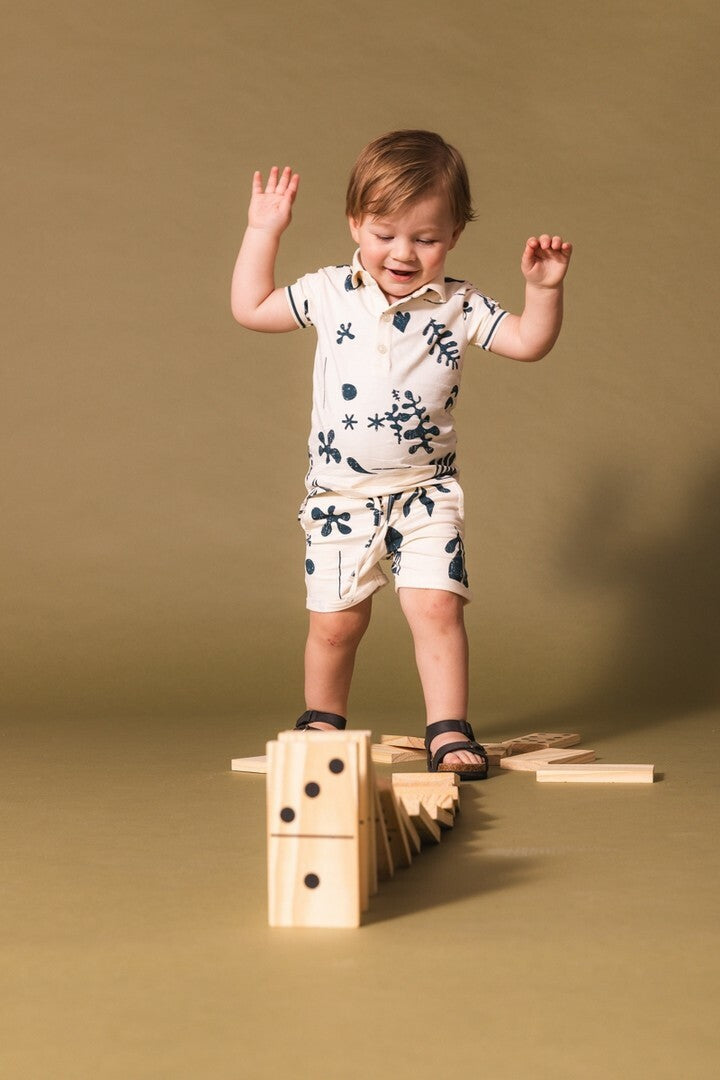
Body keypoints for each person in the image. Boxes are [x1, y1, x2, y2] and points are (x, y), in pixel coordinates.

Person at [231, 130, 572, 780]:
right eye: (384, 233)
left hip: (427, 493)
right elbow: (250, 308)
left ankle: (448, 727)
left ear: (455, 235)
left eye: (426, 238)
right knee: (335, 623)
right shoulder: (330, 290)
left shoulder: (461, 304)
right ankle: (322, 720)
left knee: (437, 608)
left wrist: (544, 290)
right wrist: (262, 231)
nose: (403, 253)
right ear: (354, 223)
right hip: (340, 496)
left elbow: (528, 343)